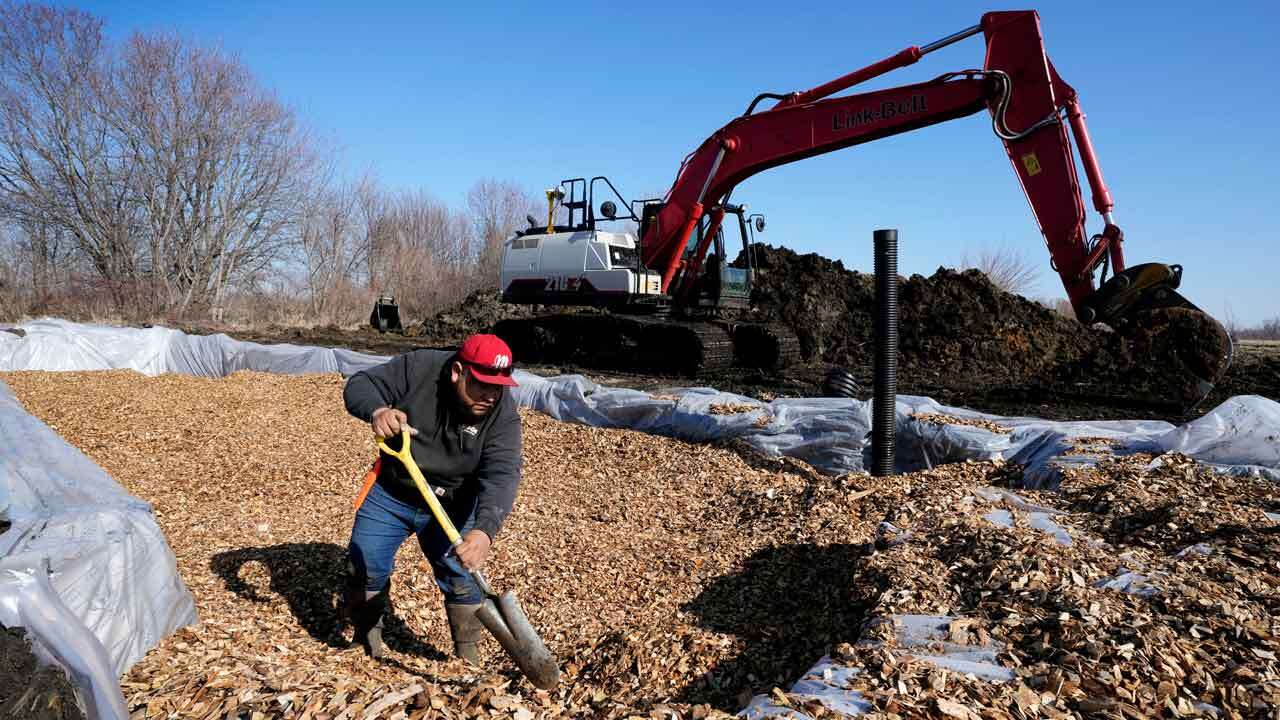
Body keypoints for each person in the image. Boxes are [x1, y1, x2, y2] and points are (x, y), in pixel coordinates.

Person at [339, 333, 522, 664]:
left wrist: (484, 531)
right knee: (364, 564)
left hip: (454, 503)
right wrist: (377, 410)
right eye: (482, 383)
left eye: (499, 385)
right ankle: (367, 642)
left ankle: (467, 659)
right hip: (393, 491)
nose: (491, 394)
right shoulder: (419, 368)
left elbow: (502, 474)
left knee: (462, 578)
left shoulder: (502, 414)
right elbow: (360, 384)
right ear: (457, 371)